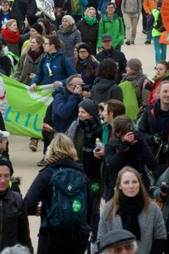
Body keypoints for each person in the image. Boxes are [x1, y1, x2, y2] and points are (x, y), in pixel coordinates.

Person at [24, 134, 91, 254]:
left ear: (51, 151)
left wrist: (34, 210)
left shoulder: (45, 175)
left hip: (51, 236)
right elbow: (90, 208)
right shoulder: (82, 176)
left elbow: (28, 203)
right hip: (77, 236)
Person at [98, 167, 167, 254]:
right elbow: (101, 239)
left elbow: (160, 237)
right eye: (126, 182)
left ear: (140, 184)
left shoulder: (152, 208)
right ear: (119, 185)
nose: (131, 186)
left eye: (134, 182)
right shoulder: (110, 208)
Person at [66, 99, 103, 248]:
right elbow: (66, 145)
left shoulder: (100, 129)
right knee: (77, 206)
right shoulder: (76, 127)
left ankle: (95, 237)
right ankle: (79, 237)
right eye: (79, 111)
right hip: (77, 174)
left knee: (94, 208)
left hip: (95, 176)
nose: (79, 114)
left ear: (91, 114)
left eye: (83, 112)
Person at [104, 116, 158, 200]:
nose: (130, 135)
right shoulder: (110, 146)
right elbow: (112, 167)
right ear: (118, 133)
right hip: (119, 192)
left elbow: (153, 166)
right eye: (126, 132)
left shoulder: (138, 144)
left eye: (132, 131)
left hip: (140, 190)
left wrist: (141, 145)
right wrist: (123, 146)